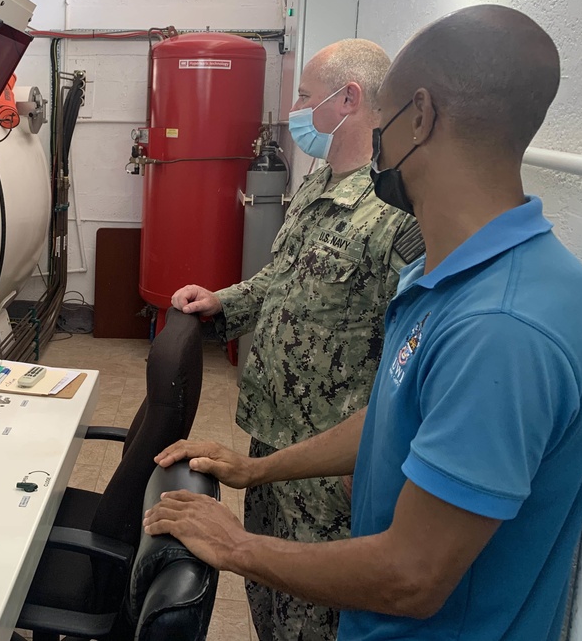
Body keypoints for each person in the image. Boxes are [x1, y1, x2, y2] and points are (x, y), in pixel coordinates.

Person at [147, 4, 582, 640]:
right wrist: (258, 469)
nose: (375, 133)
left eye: (388, 115)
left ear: (421, 116)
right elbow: (392, 411)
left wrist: (235, 545)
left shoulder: (503, 326)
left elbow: (411, 574)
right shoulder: (449, 277)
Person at [171, 39, 423, 641]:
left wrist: (375, 455)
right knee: (269, 596)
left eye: (306, 97)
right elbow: (282, 279)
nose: (297, 110)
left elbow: (410, 349)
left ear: (350, 98)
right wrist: (223, 301)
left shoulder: (395, 212)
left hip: (328, 463)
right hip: (268, 440)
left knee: (316, 618)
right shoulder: (316, 183)